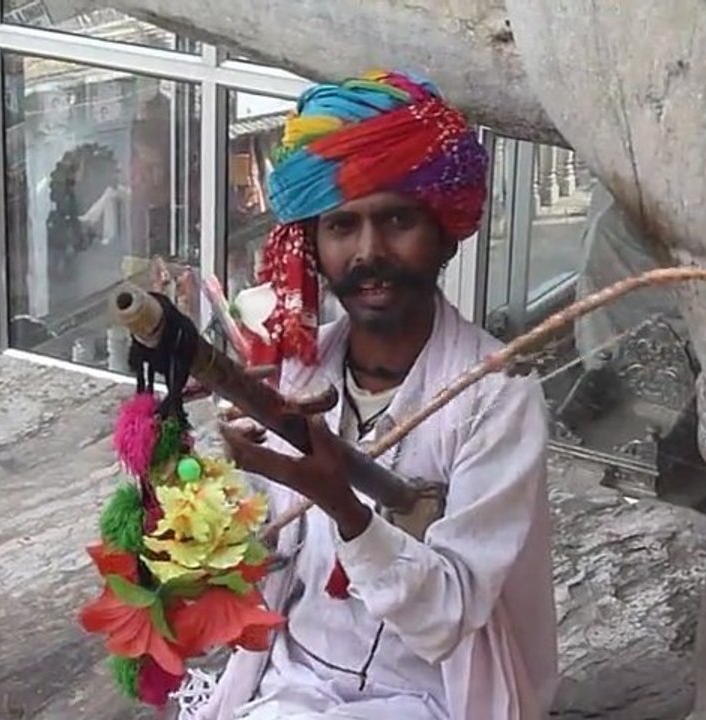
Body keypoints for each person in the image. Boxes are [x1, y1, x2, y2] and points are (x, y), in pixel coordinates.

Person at [191, 69, 557, 720]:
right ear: (314, 243)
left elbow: (448, 616)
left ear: (444, 233)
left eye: (396, 220)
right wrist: (223, 493)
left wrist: (345, 507)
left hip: (429, 696)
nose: (369, 252)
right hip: (294, 679)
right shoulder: (296, 372)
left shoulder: (498, 399)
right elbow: (274, 555)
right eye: (342, 226)